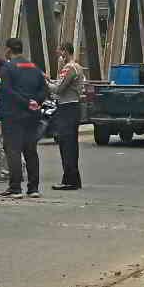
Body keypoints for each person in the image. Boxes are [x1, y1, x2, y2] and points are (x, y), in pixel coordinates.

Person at [0, 38, 49, 197]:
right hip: (32, 115)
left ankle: (15, 188)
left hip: (13, 116)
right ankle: (33, 189)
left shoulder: (8, 68)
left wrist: (25, 102)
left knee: (13, 150)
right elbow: (44, 90)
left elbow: (7, 91)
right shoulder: (34, 68)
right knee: (31, 151)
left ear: (9, 50)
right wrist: (35, 102)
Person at [51, 42, 84, 191]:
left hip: (67, 108)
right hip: (73, 107)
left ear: (65, 52)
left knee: (67, 145)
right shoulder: (77, 67)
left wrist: (44, 83)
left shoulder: (69, 68)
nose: (59, 56)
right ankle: (72, 179)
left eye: (60, 53)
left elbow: (59, 89)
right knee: (70, 144)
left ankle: (69, 180)